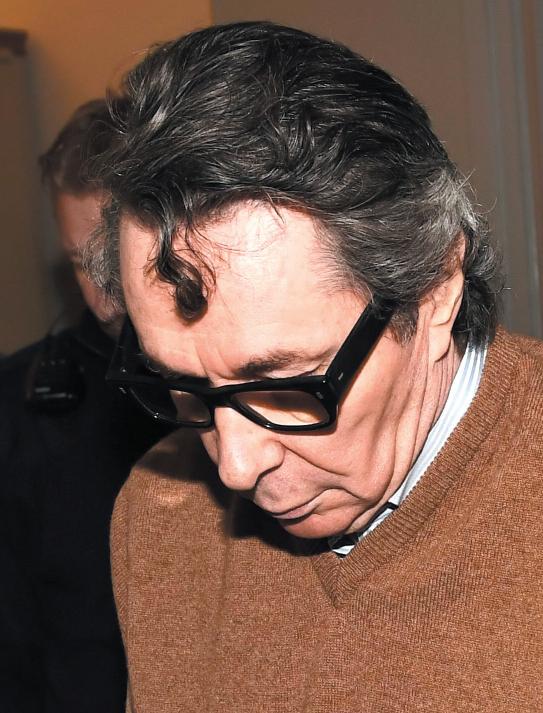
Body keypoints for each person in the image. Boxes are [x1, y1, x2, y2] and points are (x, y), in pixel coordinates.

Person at [88, 22, 543, 712]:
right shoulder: (160, 516)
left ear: (433, 289)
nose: (235, 467)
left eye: (286, 385)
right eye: (183, 386)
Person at [0, 100, 171, 713]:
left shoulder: (231, 387)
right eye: (79, 263)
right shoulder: (16, 407)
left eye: (109, 257)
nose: (103, 295)